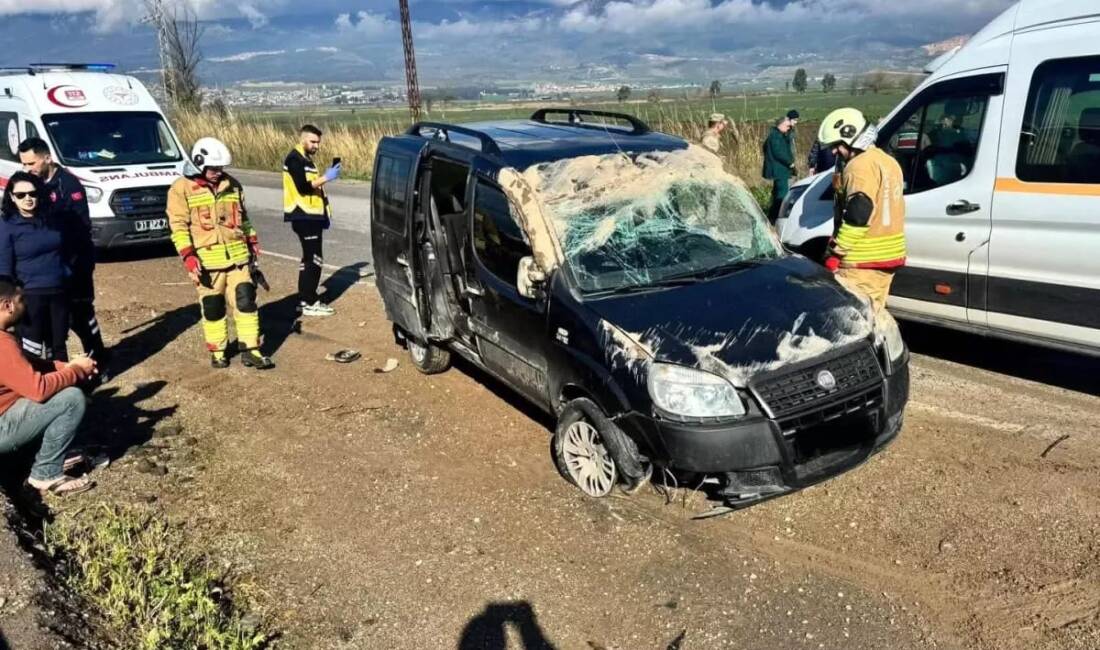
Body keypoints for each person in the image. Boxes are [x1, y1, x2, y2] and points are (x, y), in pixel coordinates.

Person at [167, 137, 274, 369]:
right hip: (207, 263)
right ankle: (218, 351)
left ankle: (252, 349)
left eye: (221, 168)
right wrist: (189, 256)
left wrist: (252, 240)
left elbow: (243, 219)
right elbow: (178, 226)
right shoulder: (181, 189)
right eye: (214, 168)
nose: (218, 173)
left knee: (246, 301)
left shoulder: (233, 185)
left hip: (238, 259)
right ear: (199, 164)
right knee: (213, 306)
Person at [18, 138, 109, 377]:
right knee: (53, 322)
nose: (27, 169)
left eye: (31, 163)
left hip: (75, 261)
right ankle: (59, 370)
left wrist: (71, 264)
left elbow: (80, 229)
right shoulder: (32, 184)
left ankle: (99, 361)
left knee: (81, 315)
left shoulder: (69, 186)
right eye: (24, 164)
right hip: (52, 266)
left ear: (46, 157)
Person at [0, 279, 96, 496]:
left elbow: (30, 364)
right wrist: (76, 372)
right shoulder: (2, 343)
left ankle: (37, 457)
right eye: (21, 299)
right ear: (8, 305)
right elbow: (38, 389)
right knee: (71, 399)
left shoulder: (6, 336)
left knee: (57, 392)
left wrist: (68, 366)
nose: (26, 304)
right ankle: (45, 474)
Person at [818, 107, 907, 314]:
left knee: (854, 321)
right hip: (888, 257)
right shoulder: (887, 161)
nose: (833, 151)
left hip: (862, 261)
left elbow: (858, 216)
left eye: (837, 145)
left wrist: (835, 254)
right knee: (875, 315)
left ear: (852, 137)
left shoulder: (858, 167)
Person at [0, 172, 70, 362]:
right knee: (32, 349)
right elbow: (4, 268)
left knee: (59, 345)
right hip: (30, 296)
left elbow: (66, 252)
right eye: (21, 195)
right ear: (12, 197)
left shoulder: (51, 219)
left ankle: (69, 389)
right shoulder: (7, 226)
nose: (28, 199)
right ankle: (36, 388)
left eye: (32, 193)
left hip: (58, 292)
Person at [283, 124, 340, 317]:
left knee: (309, 258)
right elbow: (304, 187)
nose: (316, 146)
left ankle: (305, 298)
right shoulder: (294, 159)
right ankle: (309, 301)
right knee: (314, 259)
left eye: (318, 142)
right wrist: (327, 177)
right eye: (313, 141)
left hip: (313, 216)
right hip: (303, 216)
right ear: (303, 139)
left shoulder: (306, 159)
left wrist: (325, 214)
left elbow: (315, 191)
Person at [762, 109, 799, 223]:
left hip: (780, 168)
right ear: (782, 125)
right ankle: (774, 218)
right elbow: (779, 153)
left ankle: (773, 217)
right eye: (787, 126)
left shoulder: (777, 134)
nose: (789, 128)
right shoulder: (776, 136)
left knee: (778, 192)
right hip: (780, 169)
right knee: (781, 195)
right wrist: (790, 163)